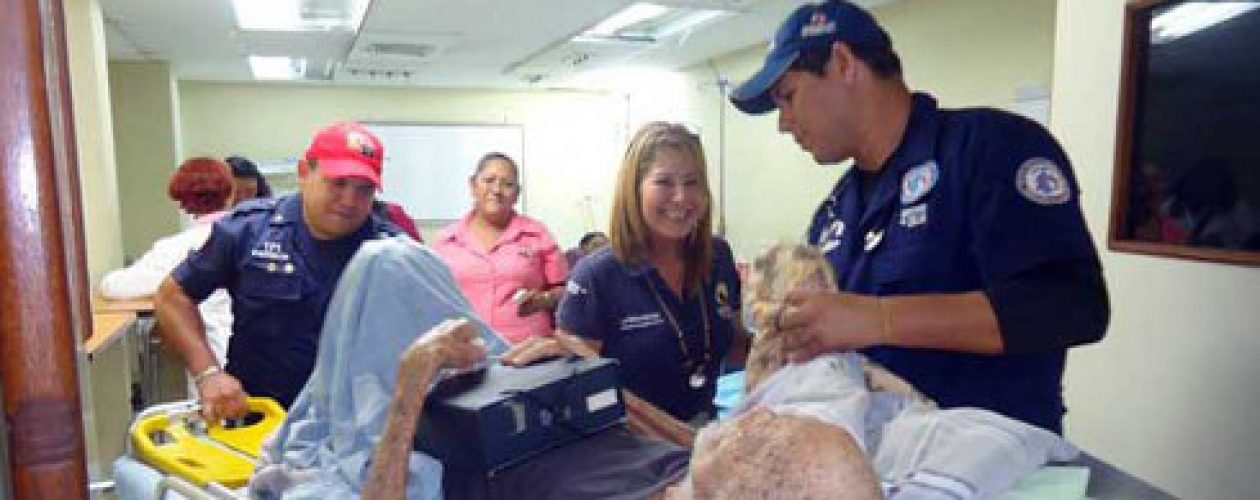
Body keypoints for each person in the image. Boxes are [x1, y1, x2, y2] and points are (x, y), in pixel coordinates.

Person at [727, 0, 1109, 433]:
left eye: (788, 97)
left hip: (993, 463)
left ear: (843, 63)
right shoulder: (834, 214)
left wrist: (880, 318)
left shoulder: (989, 150)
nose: (784, 123)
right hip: (879, 464)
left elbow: (1073, 306)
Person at [154, 121, 403, 419]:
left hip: (352, 424)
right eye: (337, 183)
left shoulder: (393, 251)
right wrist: (208, 373)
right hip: (260, 417)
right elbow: (172, 297)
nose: (349, 200)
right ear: (304, 173)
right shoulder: (248, 231)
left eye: (364, 189)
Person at [547, 122, 748, 424]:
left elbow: (735, 344)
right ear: (634, 189)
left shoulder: (717, 256)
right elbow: (579, 395)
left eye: (692, 182)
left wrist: (787, 336)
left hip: (703, 434)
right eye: (664, 182)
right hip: (630, 452)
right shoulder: (598, 275)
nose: (681, 197)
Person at [99, 157, 235, 369]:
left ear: (182, 202)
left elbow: (113, 286)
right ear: (229, 193)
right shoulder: (254, 235)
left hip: (215, 363)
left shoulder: (176, 248)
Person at [432, 152, 568, 344]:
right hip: (465, 351)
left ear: (517, 194)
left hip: (529, 351)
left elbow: (564, 290)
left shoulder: (537, 234)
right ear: (473, 185)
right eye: (489, 180)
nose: (496, 190)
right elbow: (432, 296)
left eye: (507, 184)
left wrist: (546, 299)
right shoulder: (446, 240)